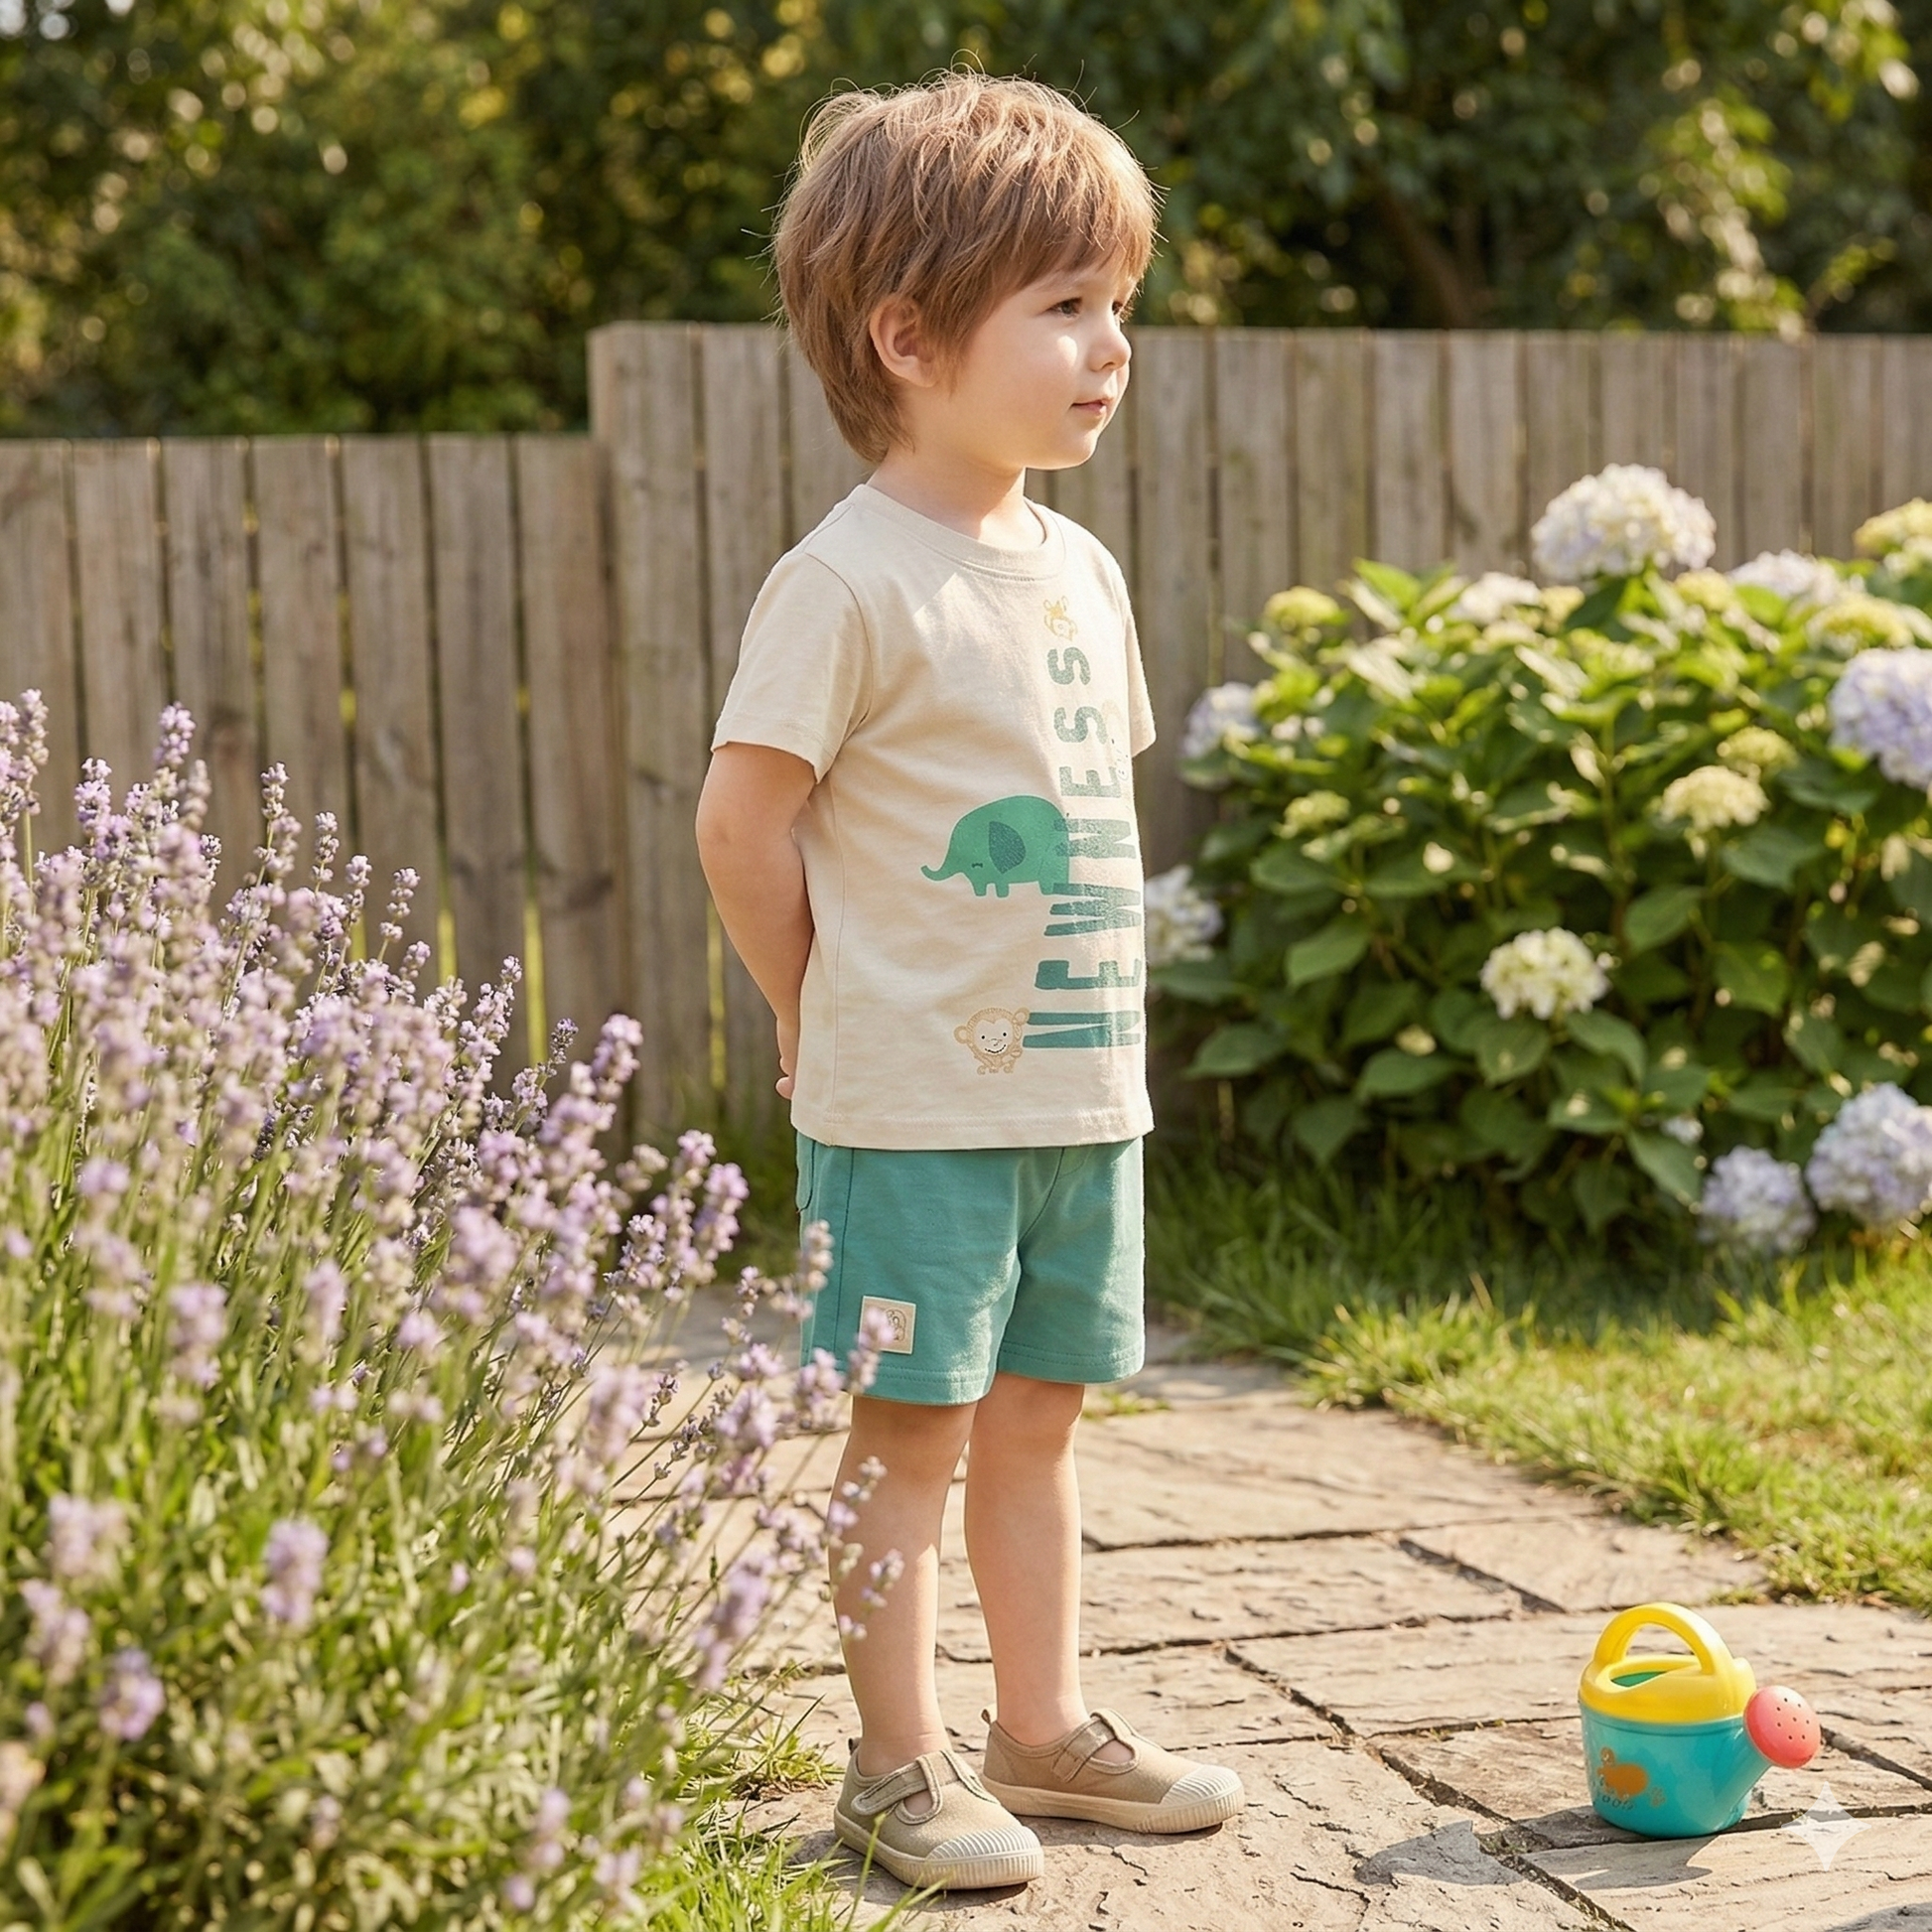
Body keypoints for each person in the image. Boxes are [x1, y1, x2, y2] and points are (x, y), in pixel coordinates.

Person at [694, 70, 1245, 1892]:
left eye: (1120, 307)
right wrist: (807, 1007)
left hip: (1081, 1100)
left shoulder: (1076, 570)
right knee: (909, 1433)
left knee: (1038, 1421)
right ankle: (894, 1760)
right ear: (909, 333)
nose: (1111, 347)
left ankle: (1037, 1727)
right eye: (1066, 307)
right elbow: (737, 822)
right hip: (915, 1105)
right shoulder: (844, 582)